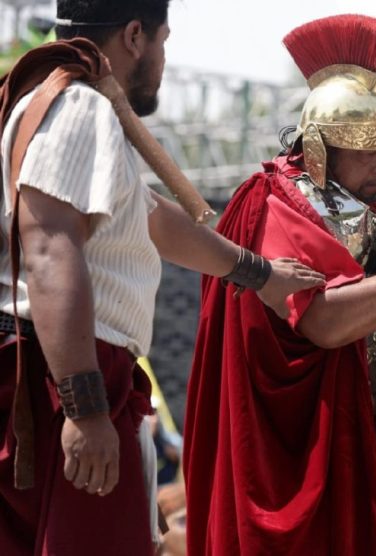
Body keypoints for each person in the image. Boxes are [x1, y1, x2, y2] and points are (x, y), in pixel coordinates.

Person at [0, 2, 323, 555]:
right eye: (163, 40)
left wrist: (258, 273)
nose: (165, 59)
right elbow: (50, 249)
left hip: (59, 371)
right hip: (63, 378)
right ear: (133, 35)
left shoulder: (59, 103)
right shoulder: (78, 108)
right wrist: (86, 406)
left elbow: (149, 218)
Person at [184, 14, 376, 556]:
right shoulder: (278, 203)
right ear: (320, 146)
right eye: (363, 148)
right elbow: (324, 321)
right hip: (314, 435)